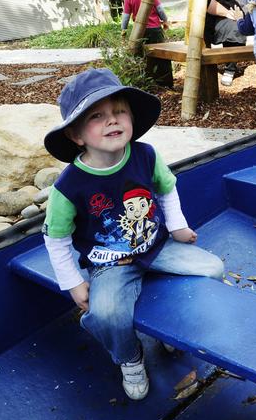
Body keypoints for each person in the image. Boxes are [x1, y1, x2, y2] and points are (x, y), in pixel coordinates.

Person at [42, 68, 224, 401]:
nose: (112, 120)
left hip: (155, 245)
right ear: (75, 135)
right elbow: (56, 239)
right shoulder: (67, 188)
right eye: (97, 116)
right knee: (107, 314)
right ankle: (129, 355)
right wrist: (72, 281)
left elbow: (167, 190)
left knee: (213, 269)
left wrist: (177, 225)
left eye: (119, 111)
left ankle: (173, 329)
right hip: (111, 262)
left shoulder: (146, 155)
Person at [120, 0, 173, 87]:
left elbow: (126, 17)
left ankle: (149, 83)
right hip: (155, 30)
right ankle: (166, 83)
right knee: (162, 55)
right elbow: (160, 9)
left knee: (144, 57)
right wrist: (165, 21)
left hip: (139, 32)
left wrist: (123, 30)